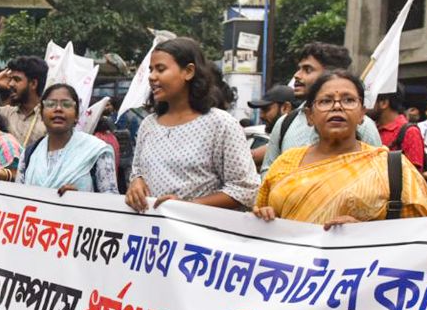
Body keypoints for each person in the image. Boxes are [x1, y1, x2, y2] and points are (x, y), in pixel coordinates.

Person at [255, 71, 427, 227]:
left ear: (362, 114)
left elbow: (419, 232)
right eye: (325, 101)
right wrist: (264, 217)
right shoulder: (285, 162)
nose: (337, 106)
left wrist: (364, 233)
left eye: (348, 100)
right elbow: (259, 211)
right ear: (310, 116)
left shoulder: (391, 167)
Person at [125, 37, 259, 213]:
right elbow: (138, 170)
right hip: (151, 235)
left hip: (198, 235)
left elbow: (245, 189)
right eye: (151, 70)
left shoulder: (221, 124)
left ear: (188, 72)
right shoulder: (148, 124)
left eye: (160, 69)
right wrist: (136, 181)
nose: (152, 77)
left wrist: (189, 205)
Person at [261, 43, 381, 173]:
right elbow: (269, 170)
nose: (297, 75)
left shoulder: (364, 126)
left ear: (331, 74)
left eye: (307, 70)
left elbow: (378, 172)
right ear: (309, 116)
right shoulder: (285, 123)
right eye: (299, 68)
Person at [5, 84, 118, 195]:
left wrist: (82, 200)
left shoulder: (96, 151)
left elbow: (111, 202)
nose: (58, 109)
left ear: (77, 116)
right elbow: (19, 199)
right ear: (41, 114)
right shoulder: (29, 154)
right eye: (50, 104)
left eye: (66, 104)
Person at [0, 56, 46, 149]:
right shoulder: (5, 113)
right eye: (10, 79)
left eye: (16, 79)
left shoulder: (48, 116)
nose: (10, 84)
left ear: (33, 84)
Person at [370, 84, 425, 170]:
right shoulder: (371, 129)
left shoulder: (410, 132)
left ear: (384, 103)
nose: (365, 106)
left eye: (370, 100)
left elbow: (414, 176)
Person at [247, 84, 295, 167]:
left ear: (285, 108)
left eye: (266, 109)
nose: (261, 116)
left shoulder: (294, 138)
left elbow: (250, 158)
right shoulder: (279, 138)